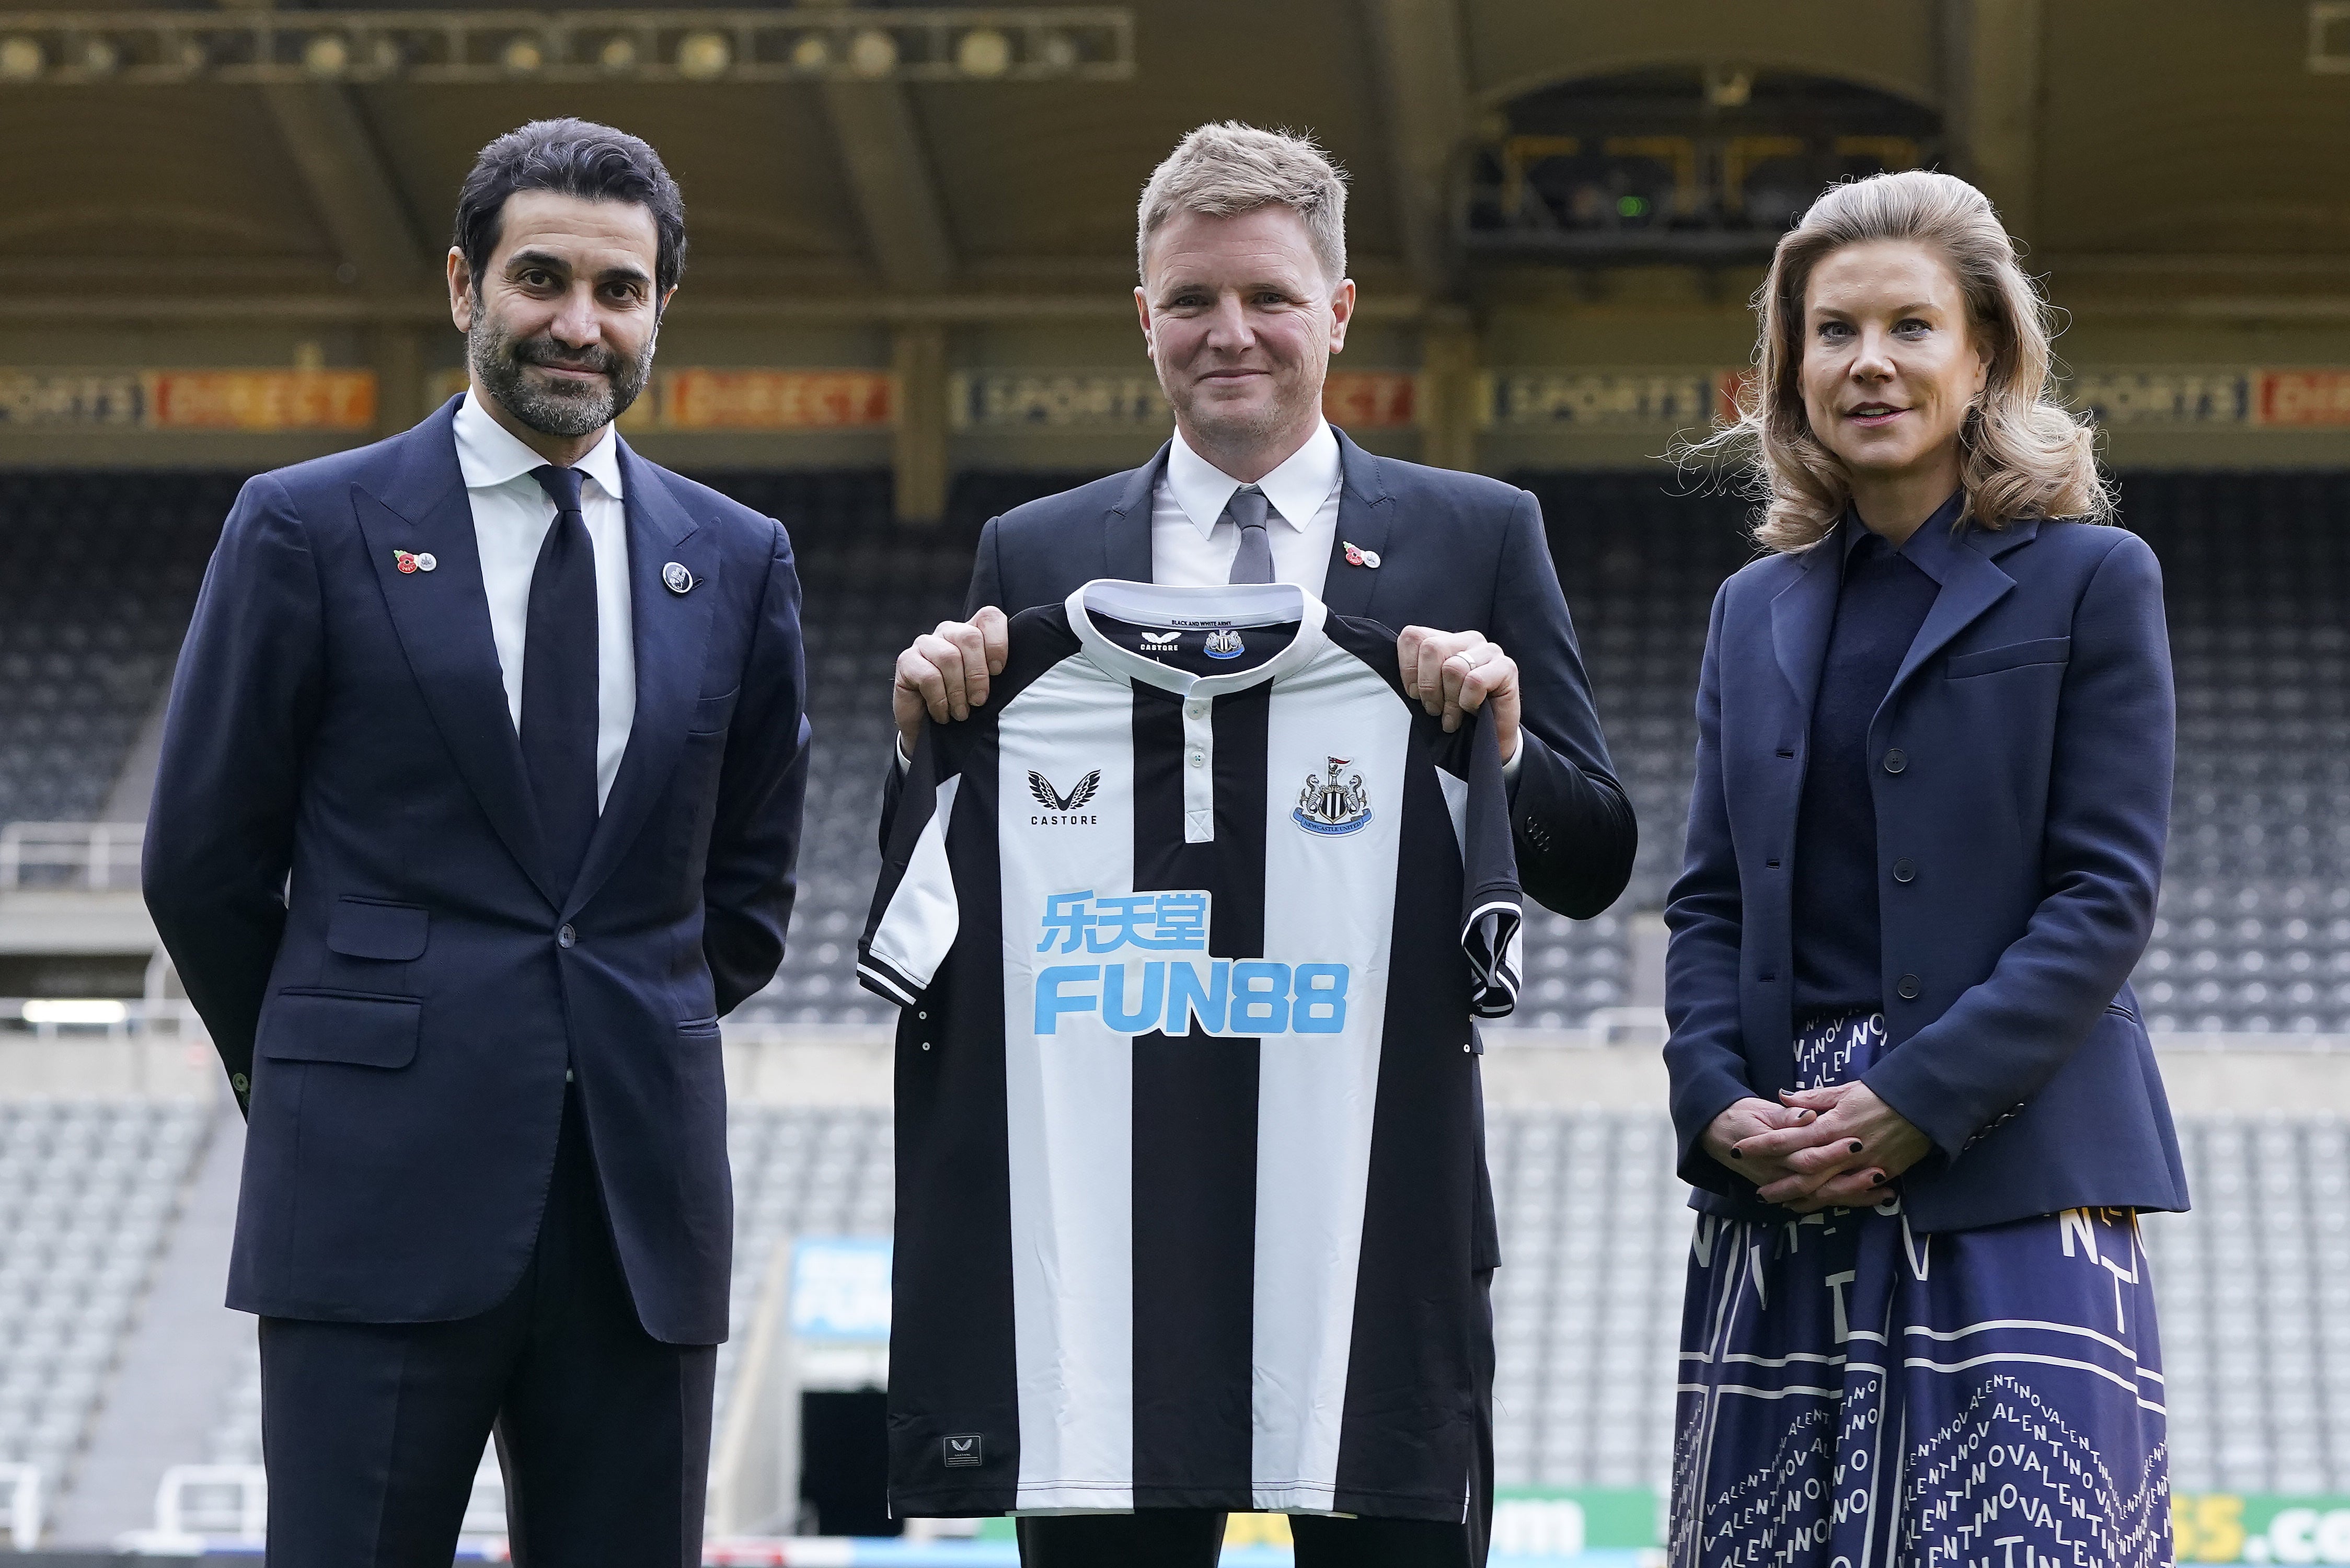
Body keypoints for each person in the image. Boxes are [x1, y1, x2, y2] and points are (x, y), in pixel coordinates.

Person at [886, 122, 1635, 1568]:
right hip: (1107, 1242)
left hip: (1377, 1234)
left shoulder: (1479, 532)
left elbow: (1593, 859)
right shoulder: (1034, 553)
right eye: (1192, 300)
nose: (1231, 334)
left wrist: (1503, 738)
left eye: (1270, 297)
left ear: (1337, 310)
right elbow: (961, 877)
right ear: (1146, 317)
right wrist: (923, 731)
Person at [142, 119, 809, 1565]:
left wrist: (610, 1026)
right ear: (466, 286)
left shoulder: (741, 560)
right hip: (371, 1195)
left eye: (618, 290)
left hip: (638, 1214)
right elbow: (199, 859)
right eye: (541, 277)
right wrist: (340, 1057)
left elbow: (748, 891)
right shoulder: (306, 528)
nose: (578, 323)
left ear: (658, 312)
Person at [1662, 169, 2184, 1567]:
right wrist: (1715, 1105)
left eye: (1910, 326)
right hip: (1786, 1179)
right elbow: (1708, 900)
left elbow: (2103, 896)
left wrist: (1915, 1100)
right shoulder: (1749, 609)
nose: (1869, 363)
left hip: (2006, 1160)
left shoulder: (2094, 578)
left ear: (1988, 354)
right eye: (1832, 332)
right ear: (1790, 369)